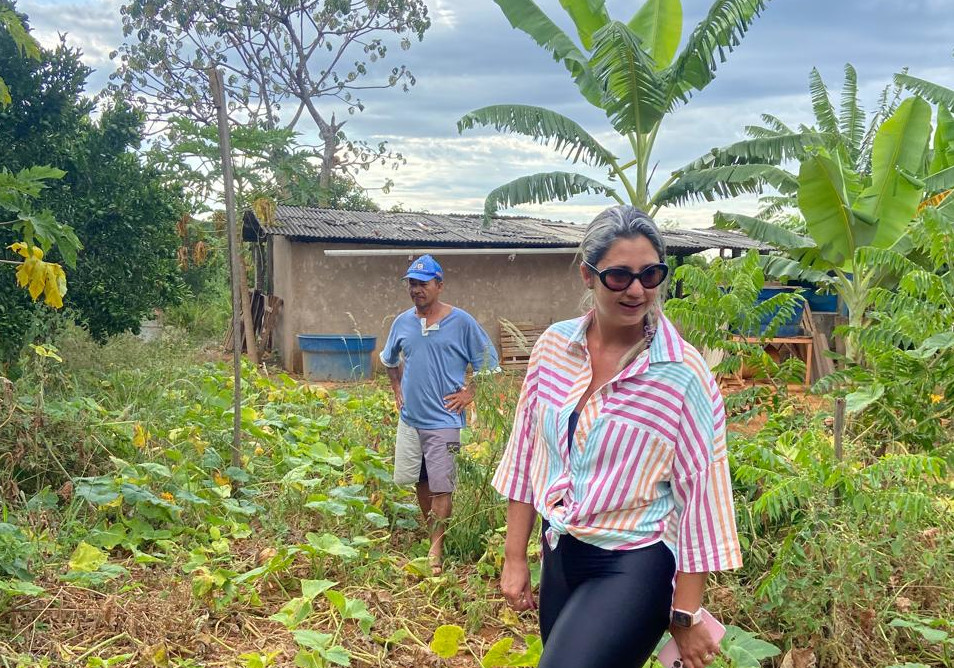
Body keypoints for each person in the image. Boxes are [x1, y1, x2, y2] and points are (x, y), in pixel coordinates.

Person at [491, 206, 742, 668]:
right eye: (619, 276)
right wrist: (515, 557)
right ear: (588, 275)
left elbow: (701, 496)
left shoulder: (681, 374)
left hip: (634, 563)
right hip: (561, 552)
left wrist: (684, 615)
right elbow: (526, 455)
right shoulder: (552, 347)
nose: (636, 289)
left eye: (651, 274)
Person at [381, 254, 499, 575]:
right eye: (412, 284)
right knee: (420, 480)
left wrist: (469, 393)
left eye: (423, 283)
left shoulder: (462, 323)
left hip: (444, 421)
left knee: (442, 485)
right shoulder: (403, 322)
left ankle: (436, 547)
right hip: (411, 420)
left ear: (439, 285)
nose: (416, 290)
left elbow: (489, 362)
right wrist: (396, 390)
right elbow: (389, 359)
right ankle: (432, 532)